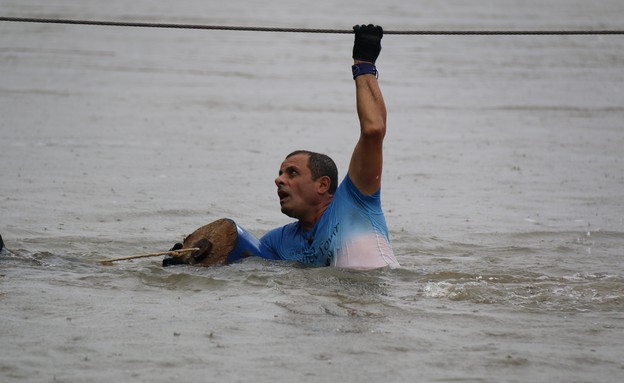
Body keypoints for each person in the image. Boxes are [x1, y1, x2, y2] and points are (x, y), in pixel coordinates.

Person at [259, 24, 400, 270]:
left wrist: (364, 64)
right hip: (328, 304)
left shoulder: (356, 200)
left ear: (323, 184)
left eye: (292, 173)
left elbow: (373, 131)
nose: (279, 180)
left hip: (381, 300)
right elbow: (243, 262)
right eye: (281, 173)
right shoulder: (277, 243)